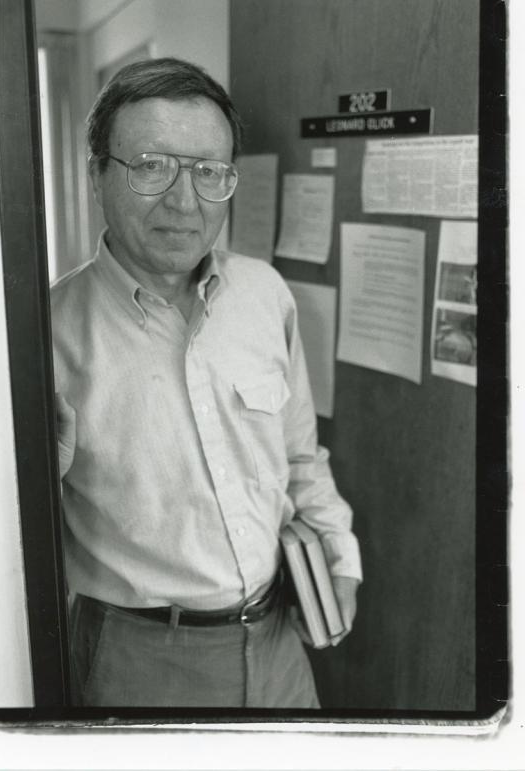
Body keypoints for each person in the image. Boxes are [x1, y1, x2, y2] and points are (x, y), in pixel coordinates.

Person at [52, 57, 362, 708]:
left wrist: (339, 552)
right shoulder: (44, 335)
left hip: (280, 645)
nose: (184, 200)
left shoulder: (265, 294)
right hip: (136, 663)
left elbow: (302, 458)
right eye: (151, 166)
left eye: (208, 172)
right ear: (95, 174)